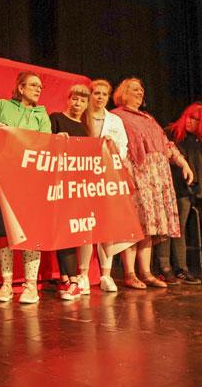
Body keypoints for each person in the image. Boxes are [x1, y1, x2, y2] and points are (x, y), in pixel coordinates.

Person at [112, 78, 193, 290]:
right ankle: (129, 273)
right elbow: (115, 146)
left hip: (157, 176)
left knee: (148, 226)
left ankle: (145, 272)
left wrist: (182, 162)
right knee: (134, 225)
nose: (140, 93)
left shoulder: (148, 118)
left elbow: (166, 144)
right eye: (135, 90)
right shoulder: (117, 117)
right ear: (123, 94)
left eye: (142, 90)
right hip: (135, 173)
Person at [0, 71, 51, 304]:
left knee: (30, 230)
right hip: (2, 178)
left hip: (31, 180)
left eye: (40, 87)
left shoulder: (42, 114)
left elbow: (45, 144)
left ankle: (30, 286)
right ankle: (6, 284)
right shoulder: (2, 106)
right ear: (21, 87)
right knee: (4, 230)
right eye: (33, 85)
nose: (38, 89)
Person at [160, 103, 202, 283]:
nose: (190, 121)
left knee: (179, 227)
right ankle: (164, 267)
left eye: (196, 119)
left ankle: (180, 268)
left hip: (187, 189)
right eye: (189, 117)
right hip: (168, 185)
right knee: (166, 227)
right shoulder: (171, 132)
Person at [83, 79, 132, 293]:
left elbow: (124, 147)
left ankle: (106, 274)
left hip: (107, 177)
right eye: (96, 93)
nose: (100, 97)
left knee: (106, 226)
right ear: (90, 95)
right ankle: (83, 274)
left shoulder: (115, 121)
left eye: (104, 94)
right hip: (84, 176)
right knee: (85, 225)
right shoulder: (82, 117)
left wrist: (112, 151)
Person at [50, 83, 91, 300]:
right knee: (63, 231)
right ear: (68, 99)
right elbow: (45, 145)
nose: (78, 103)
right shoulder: (55, 118)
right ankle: (72, 280)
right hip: (59, 184)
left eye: (83, 100)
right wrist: (57, 141)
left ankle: (67, 278)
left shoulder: (85, 128)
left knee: (73, 231)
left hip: (78, 186)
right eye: (75, 99)